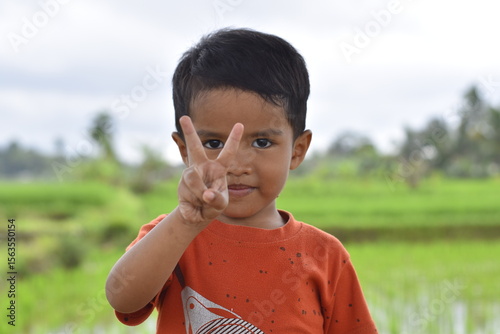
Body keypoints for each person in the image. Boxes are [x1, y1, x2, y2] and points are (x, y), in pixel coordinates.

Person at [106, 28, 377, 333]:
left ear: (297, 150)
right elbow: (122, 298)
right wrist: (185, 221)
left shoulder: (325, 256)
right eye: (212, 143)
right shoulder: (173, 237)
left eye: (261, 142)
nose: (233, 164)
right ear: (184, 150)